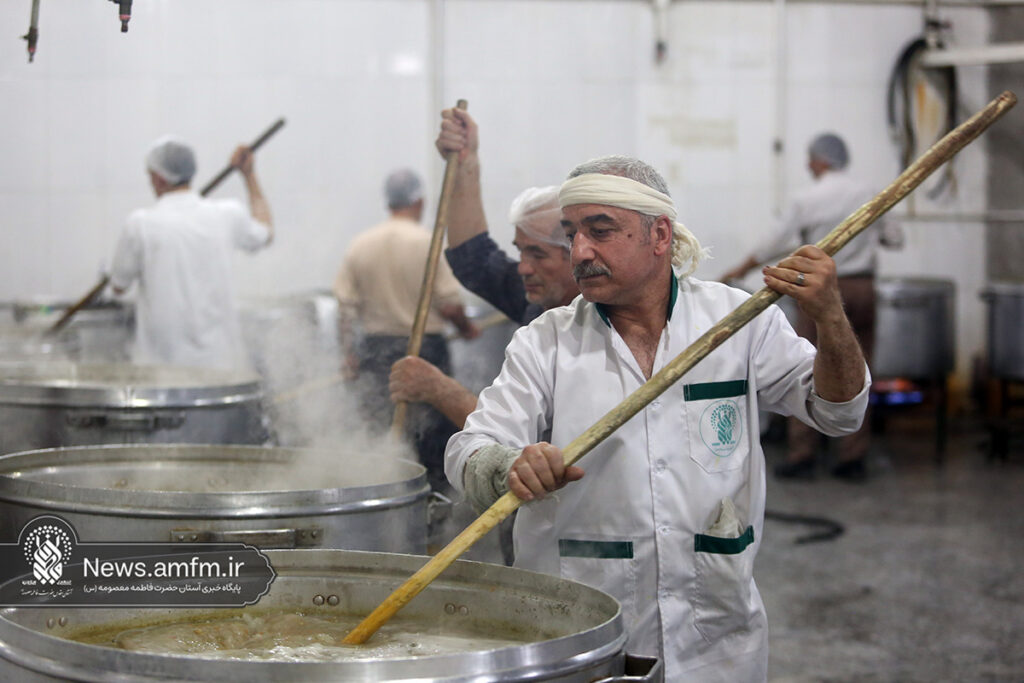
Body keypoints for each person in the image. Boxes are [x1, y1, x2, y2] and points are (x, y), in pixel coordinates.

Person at [445, 155, 870, 680]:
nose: (580, 251)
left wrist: (829, 317)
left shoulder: (736, 322)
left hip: (718, 637)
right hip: (585, 638)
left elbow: (838, 412)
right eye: (572, 234)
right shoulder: (546, 342)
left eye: (600, 231)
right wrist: (508, 465)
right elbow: (469, 448)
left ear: (660, 235)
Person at [721, 132, 903, 481]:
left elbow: (775, 241)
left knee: (805, 364)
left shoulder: (807, 198)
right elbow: (894, 238)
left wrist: (741, 268)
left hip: (821, 289)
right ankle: (853, 458)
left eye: (810, 158)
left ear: (821, 160)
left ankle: (803, 455)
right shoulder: (870, 193)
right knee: (859, 367)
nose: (807, 164)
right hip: (862, 288)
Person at [388, 108, 580, 428]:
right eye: (521, 252)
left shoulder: (596, 331)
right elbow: (473, 258)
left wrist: (439, 389)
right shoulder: (541, 303)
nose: (523, 268)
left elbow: (520, 434)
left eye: (538, 254)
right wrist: (465, 162)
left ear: (579, 254)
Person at [333, 169, 478, 493]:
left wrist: (348, 355)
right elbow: (450, 305)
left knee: (379, 431)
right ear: (420, 202)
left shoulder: (361, 244)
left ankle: (383, 497)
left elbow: (345, 310)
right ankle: (433, 503)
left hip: (375, 353)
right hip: (426, 353)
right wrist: (466, 328)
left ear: (388, 202)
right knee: (432, 437)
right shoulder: (427, 243)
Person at [110, 136, 273, 369]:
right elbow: (266, 232)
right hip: (222, 368)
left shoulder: (140, 224)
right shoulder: (227, 215)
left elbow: (118, 286)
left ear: (159, 178)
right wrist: (249, 175)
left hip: (162, 371)